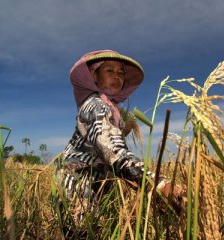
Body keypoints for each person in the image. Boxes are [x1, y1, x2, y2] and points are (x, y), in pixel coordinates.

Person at [55, 50, 182, 238]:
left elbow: (113, 143)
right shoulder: (96, 106)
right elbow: (114, 153)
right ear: (94, 75)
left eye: (121, 72)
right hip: (78, 184)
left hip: (97, 183)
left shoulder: (112, 109)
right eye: (109, 70)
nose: (117, 76)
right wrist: (158, 184)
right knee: (83, 233)